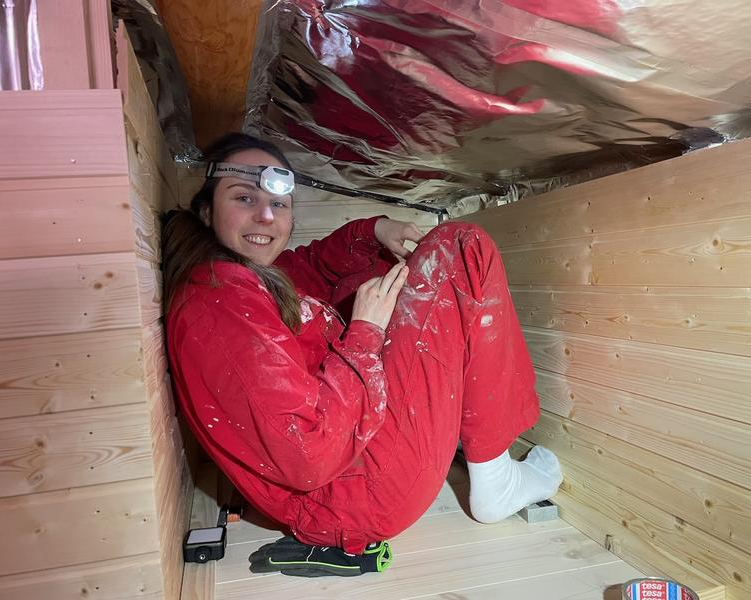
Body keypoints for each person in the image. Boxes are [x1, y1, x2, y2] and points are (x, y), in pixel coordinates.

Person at [162, 132, 562, 577]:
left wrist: (375, 229)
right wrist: (366, 332)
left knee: (376, 268)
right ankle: (496, 477)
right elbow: (306, 457)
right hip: (356, 492)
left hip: (350, 469)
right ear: (205, 210)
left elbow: (309, 266)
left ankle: (469, 437)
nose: (266, 216)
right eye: (244, 198)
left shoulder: (240, 274)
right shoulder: (221, 306)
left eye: (282, 205)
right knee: (461, 249)